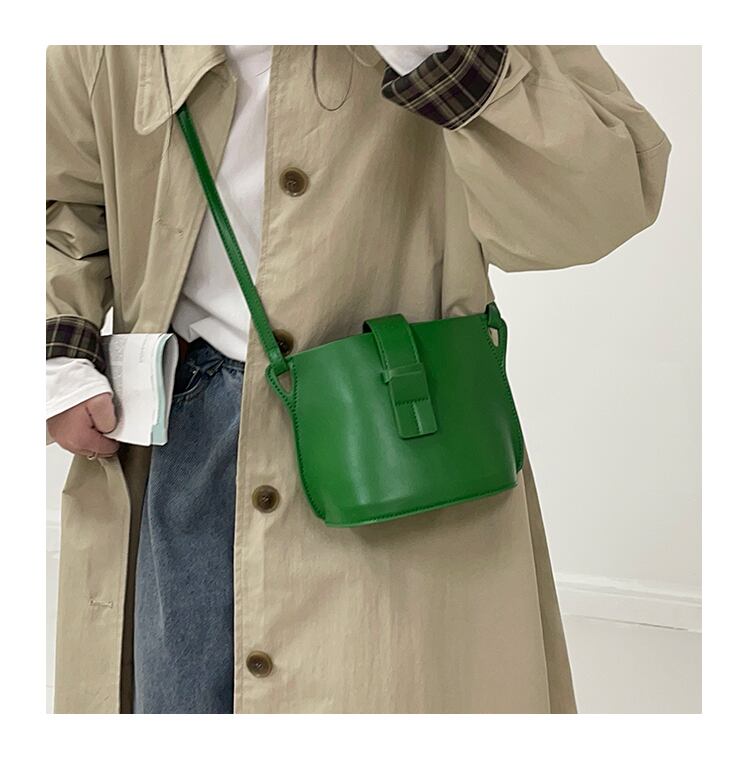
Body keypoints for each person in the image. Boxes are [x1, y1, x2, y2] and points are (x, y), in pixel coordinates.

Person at [46, 45, 670, 714]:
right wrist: (56, 356)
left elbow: (604, 200)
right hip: (179, 435)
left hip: (400, 434)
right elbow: (61, 200)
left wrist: (440, 51)